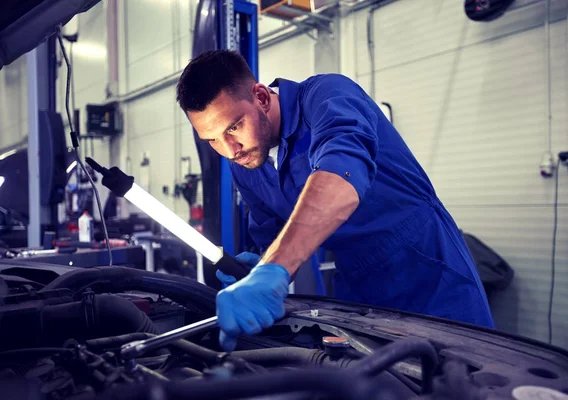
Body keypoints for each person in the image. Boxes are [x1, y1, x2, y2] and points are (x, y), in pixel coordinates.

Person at [176, 50, 494, 351]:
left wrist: (274, 268)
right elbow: (273, 235)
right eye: (213, 139)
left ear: (260, 97)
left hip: (428, 271)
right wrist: (260, 265)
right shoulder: (247, 165)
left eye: (234, 126)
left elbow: (341, 173)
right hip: (356, 290)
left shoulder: (327, 97)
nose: (230, 149)